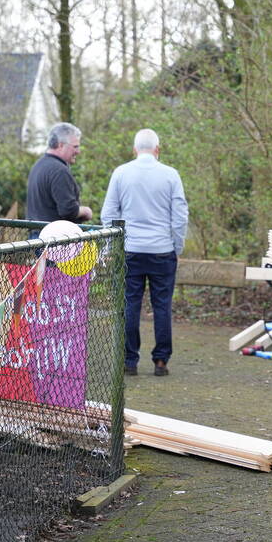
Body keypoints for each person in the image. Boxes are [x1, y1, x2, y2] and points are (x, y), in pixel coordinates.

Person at [101, 129, 189, 377]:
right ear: (158, 149)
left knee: (130, 304)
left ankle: (130, 360)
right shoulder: (171, 175)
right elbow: (180, 216)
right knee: (162, 306)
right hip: (162, 250)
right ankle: (161, 360)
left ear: (134, 149)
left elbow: (108, 213)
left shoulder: (121, 173)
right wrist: (177, 246)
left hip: (130, 249)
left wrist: (111, 247)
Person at [26, 123, 93, 227]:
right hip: (55, 238)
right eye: (75, 147)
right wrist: (85, 211)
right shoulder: (59, 171)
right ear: (61, 145)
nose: (78, 151)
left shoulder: (38, 165)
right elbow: (68, 210)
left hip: (37, 236)